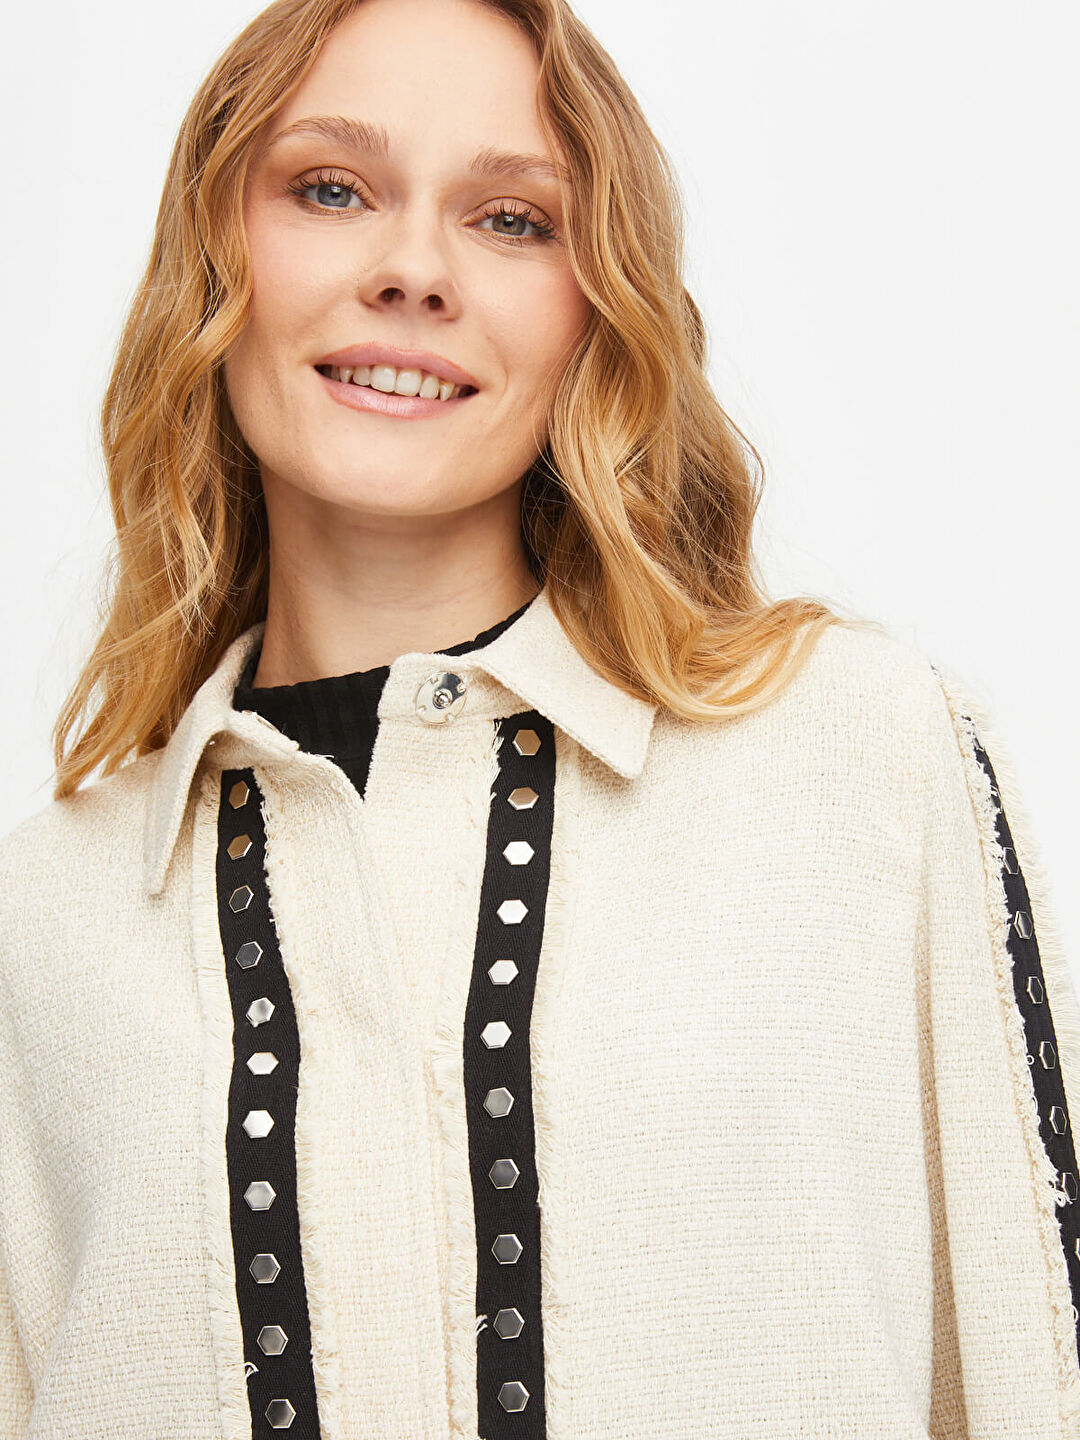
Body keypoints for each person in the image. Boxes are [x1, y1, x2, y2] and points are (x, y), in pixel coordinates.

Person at [1, 0, 1076, 1435]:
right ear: (215, 257)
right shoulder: (43, 919)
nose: (413, 269)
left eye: (511, 219)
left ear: (594, 309)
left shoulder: (855, 756)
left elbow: (1037, 1366)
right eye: (331, 189)